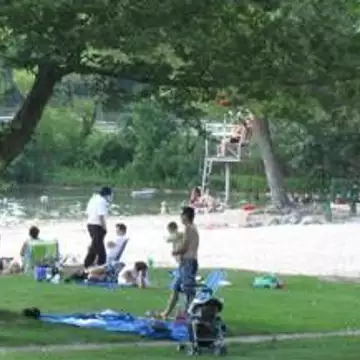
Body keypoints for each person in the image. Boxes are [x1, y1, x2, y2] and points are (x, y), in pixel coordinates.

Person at [161, 206, 199, 319]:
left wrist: (175, 251)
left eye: (181, 215)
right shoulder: (193, 227)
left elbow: (185, 246)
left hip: (188, 262)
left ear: (186, 216)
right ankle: (166, 313)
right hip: (185, 263)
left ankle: (189, 314)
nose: (180, 217)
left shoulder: (188, 228)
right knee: (175, 288)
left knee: (188, 290)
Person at [84, 186, 112, 268]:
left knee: (96, 246)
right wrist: (105, 228)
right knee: (98, 248)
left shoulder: (93, 199)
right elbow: (101, 216)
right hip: (97, 226)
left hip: (90, 224)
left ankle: (91, 264)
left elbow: (88, 212)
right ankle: (91, 264)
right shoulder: (102, 201)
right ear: (107, 194)